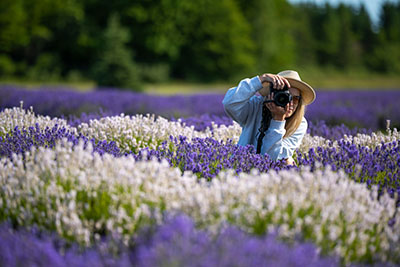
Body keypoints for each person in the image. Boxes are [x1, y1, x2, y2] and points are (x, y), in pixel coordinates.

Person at [222, 70, 316, 165]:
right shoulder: (256, 106)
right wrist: (260, 80)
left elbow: (272, 158)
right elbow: (229, 103)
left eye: (295, 98)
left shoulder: (299, 124)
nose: (289, 102)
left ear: (300, 101)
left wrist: (278, 120)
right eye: (284, 96)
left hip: (270, 175)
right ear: (272, 94)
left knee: (288, 162)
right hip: (241, 167)